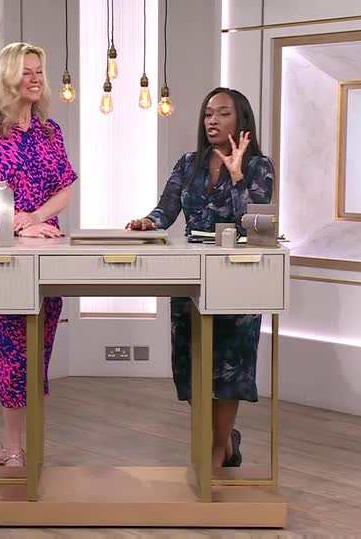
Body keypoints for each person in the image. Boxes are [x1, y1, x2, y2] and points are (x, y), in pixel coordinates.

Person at [126, 87, 274, 470]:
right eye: (208, 113)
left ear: (241, 121)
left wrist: (238, 174)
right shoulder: (188, 163)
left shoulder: (260, 167)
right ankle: (222, 440)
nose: (212, 120)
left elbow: (254, 222)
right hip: (190, 276)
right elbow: (166, 208)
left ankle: (216, 446)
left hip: (238, 277)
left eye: (222, 113)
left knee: (229, 367)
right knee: (192, 367)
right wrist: (148, 222)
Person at [0, 43, 77, 467]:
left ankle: (33, 440)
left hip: (47, 248)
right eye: (26, 71)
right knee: (9, 347)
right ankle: (11, 446)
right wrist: (18, 222)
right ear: (8, 78)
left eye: (39, 71)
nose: (35, 78)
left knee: (39, 346)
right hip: (3, 249)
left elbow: (66, 186)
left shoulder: (50, 131)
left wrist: (38, 217)